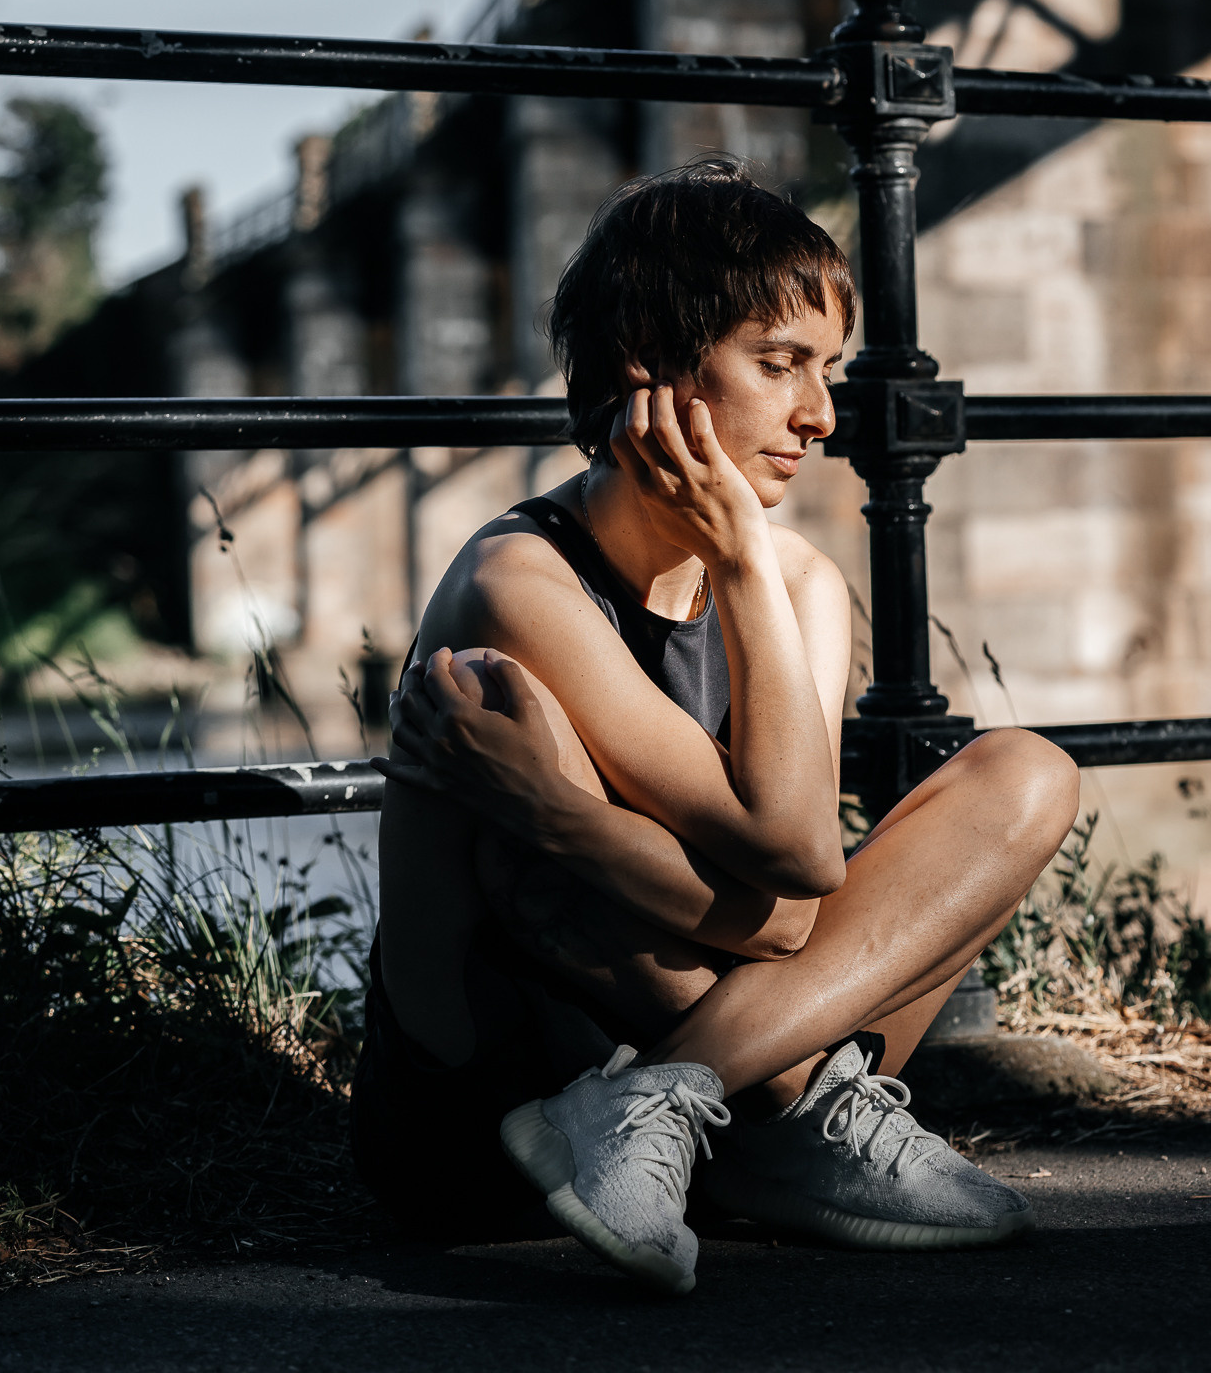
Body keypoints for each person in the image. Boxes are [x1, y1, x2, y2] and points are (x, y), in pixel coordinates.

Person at [351, 159, 1079, 1294]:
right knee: (511, 729)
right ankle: (781, 1114)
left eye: (825, 368)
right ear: (650, 361)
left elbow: (796, 890)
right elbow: (787, 888)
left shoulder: (791, 581)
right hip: (490, 1124)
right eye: (778, 363)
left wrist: (556, 805)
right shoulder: (519, 584)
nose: (821, 414)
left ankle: (677, 1105)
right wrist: (558, 829)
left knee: (1025, 774)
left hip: (695, 1103)